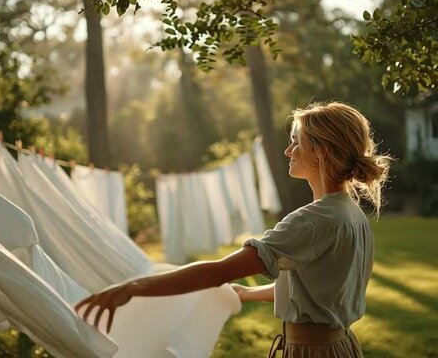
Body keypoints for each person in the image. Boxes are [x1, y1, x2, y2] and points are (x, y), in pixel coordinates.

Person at [75, 101, 392, 358]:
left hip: (311, 352)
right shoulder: (351, 215)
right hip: (340, 347)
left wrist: (133, 288)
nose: (287, 151)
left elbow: (217, 271)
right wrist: (245, 294)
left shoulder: (313, 220)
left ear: (321, 151)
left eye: (296, 143)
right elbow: (318, 291)